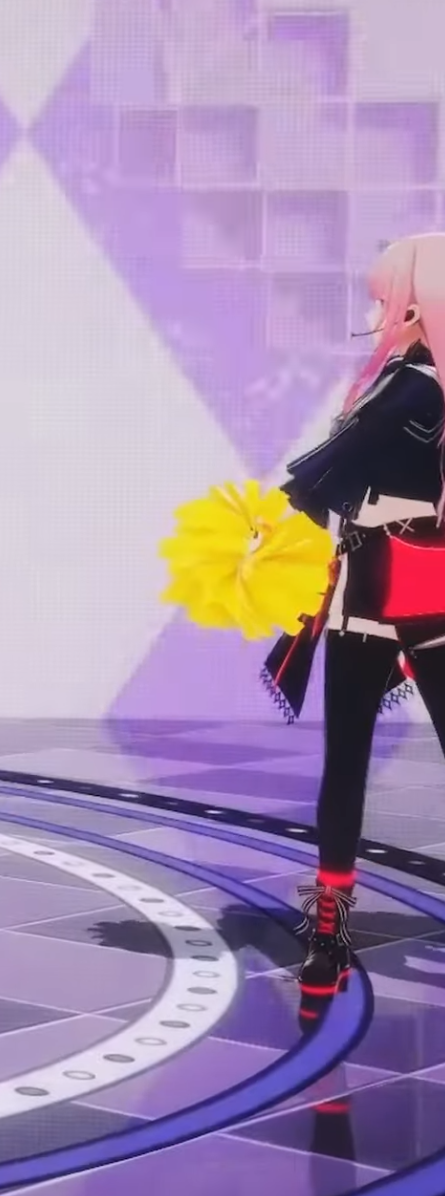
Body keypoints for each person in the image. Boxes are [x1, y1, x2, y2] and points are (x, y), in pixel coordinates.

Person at [266, 233, 445, 996]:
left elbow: (332, 468)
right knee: (343, 760)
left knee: (348, 760)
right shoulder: (395, 380)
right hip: (367, 585)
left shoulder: (416, 389)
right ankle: (329, 924)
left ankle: (330, 930)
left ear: (415, 305)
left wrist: (268, 523)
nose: (373, 316)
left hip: (417, 586)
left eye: (382, 301)